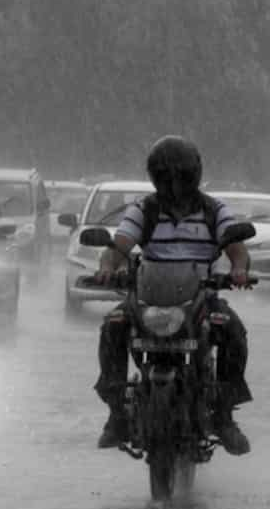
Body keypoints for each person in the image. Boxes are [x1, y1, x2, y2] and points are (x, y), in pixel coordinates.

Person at [93, 136, 253, 455]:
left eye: (180, 176)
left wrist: (239, 270)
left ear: (193, 175)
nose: (175, 184)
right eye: (166, 176)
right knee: (113, 324)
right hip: (149, 297)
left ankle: (223, 415)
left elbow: (238, 250)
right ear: (155, 177)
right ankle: (116, 414)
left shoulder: (213, 210)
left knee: (232, 330)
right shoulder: (144, 210)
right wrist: (108, 267)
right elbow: (119, 246)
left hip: (200, 298)